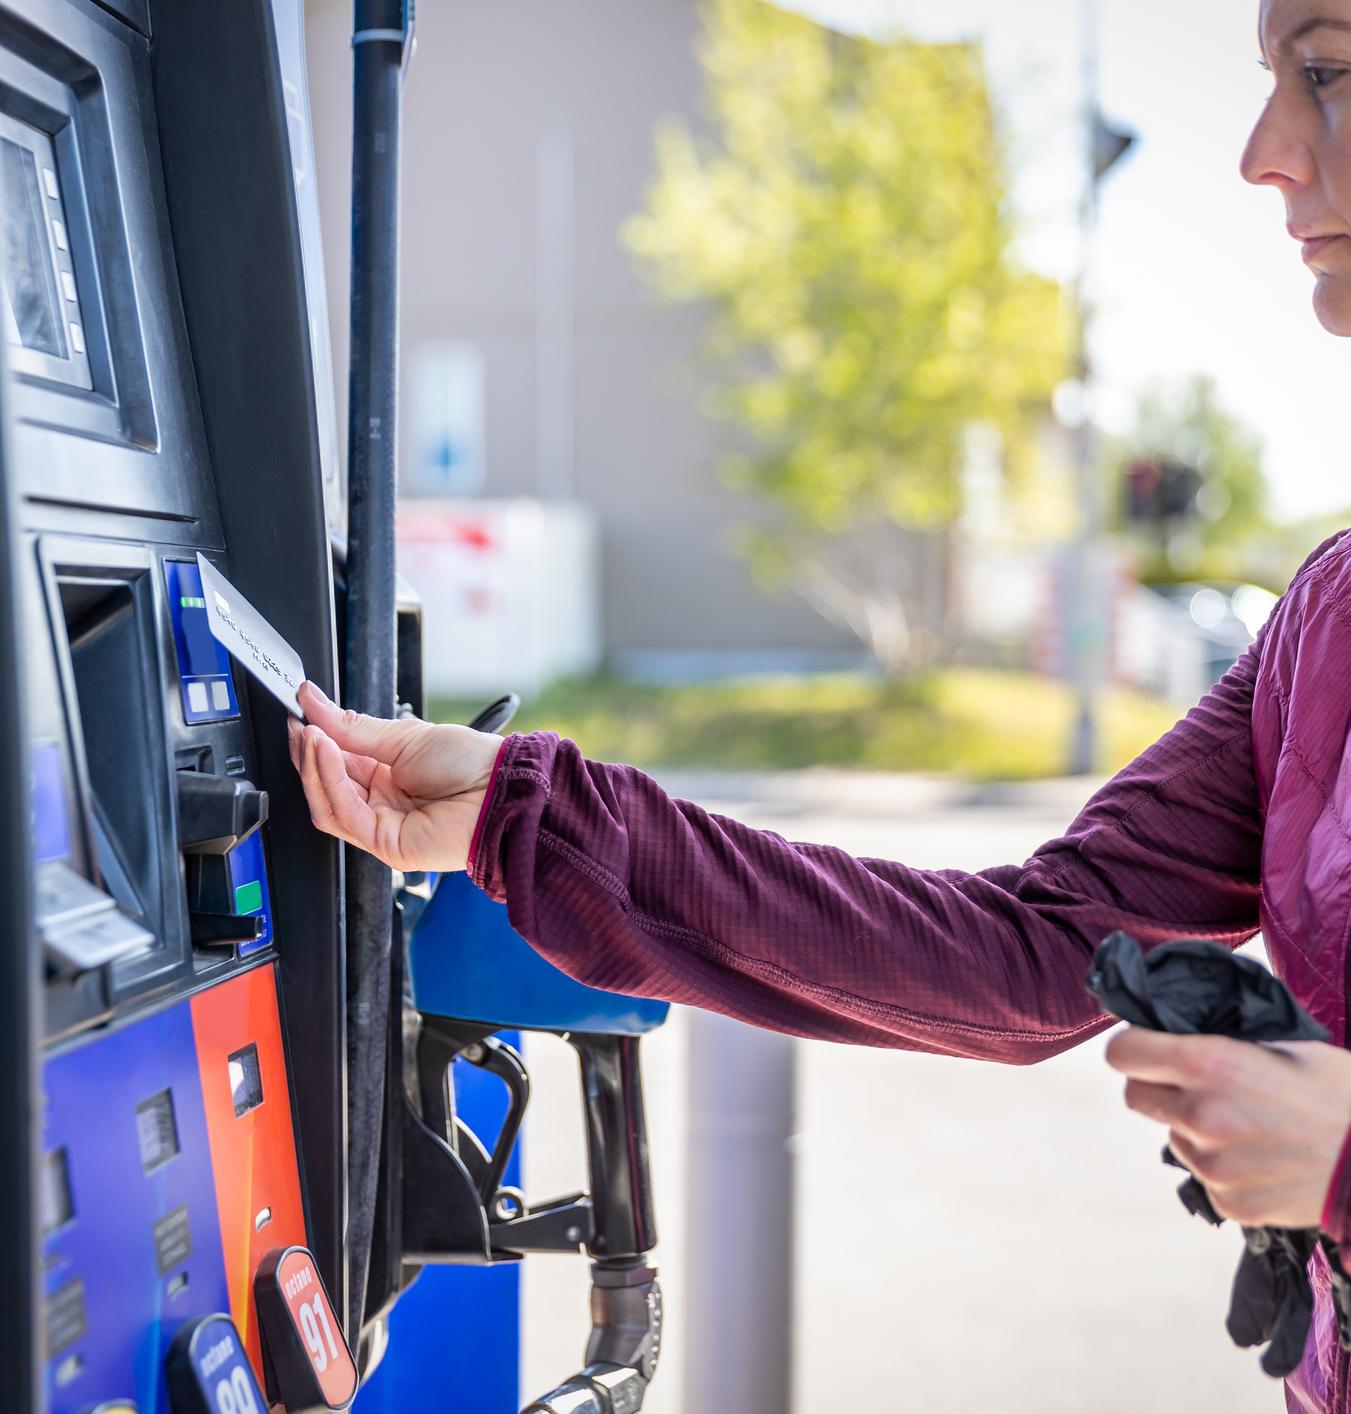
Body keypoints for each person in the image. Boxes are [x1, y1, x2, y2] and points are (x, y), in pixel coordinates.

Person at [291, 2, 1351, 1406]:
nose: (1263, 152)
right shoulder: (1328, 620)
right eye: (1271, 78)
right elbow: (1031, 952)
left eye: (1327, 72)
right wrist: (530, 819)